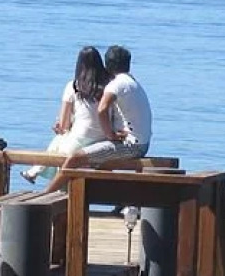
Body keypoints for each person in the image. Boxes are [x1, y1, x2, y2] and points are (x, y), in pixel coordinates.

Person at [48, 45, 151, 192]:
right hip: (142, 142)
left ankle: (45, 197)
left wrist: (110, 135)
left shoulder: (115, 85)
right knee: (97, 161)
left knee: (75, 158)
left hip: (131, 146)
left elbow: (102, 109)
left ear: (107, 65)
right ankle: (122, 201)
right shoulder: (133, 82)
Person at [21, 47, 111, 183]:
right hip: (103, 140)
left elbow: (63, 125)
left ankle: (36, 171)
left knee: (60, 138)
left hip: (79, 141)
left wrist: (62, 125)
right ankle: (34, 171)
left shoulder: (73, 86)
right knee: (61, 139)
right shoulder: (110, 87)